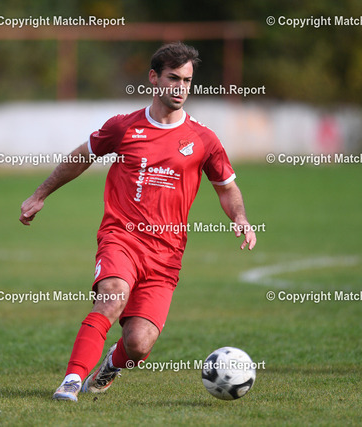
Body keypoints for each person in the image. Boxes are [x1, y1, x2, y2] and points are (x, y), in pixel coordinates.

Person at [19, 42, 256, 401]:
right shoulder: (124, 127)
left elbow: (226, 187)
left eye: (187, 81)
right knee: (111, 298)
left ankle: (111, 366)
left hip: (166, 255)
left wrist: (240, 217)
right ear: (153, 78)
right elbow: (81, 156)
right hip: (122, 238)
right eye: (173, 78)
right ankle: (71, 380)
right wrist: (40, 194)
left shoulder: (203, 139)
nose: (180, 88)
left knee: (139, 343)